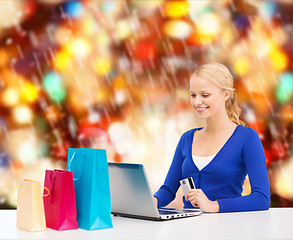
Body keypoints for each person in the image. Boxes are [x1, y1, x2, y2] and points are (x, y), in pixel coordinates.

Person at [154, 62, 270, 213]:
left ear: (226, 94)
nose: (196, 102)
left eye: (205, 95)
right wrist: (152, 201)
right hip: (187, 229)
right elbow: (169, 189)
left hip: (227, 229)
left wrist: (213, 205)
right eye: (193, 95)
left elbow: (261, 198)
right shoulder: (187, 138)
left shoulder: (247, 138)